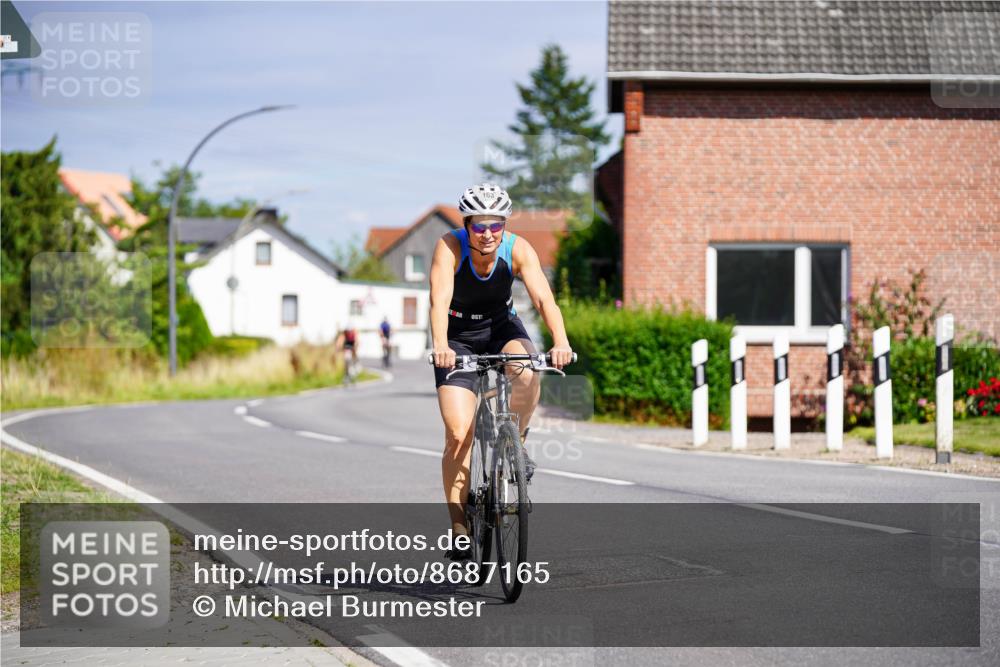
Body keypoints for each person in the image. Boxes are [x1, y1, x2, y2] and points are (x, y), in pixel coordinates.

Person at [430, 183, 572, 560]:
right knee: (458, 433)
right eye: (479, 226)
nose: (488, 233)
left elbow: (544, 299)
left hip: (501, 328)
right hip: (457, 337)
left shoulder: (517, 248)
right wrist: (441, 345)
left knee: (526, 372)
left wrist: (561, 341)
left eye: (496, 225)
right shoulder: (449, 247)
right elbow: (439, 300)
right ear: (467, 225)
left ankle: (516, 443)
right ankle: (459, 528)